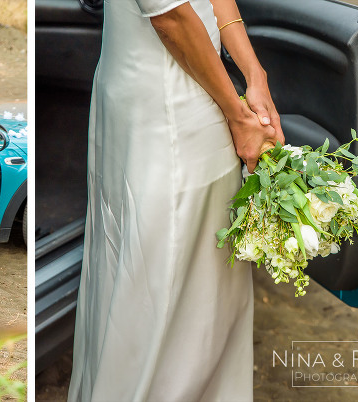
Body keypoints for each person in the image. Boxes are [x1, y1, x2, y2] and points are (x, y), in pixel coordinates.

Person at [68, 0, 285, 400]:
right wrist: (238, 117)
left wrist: (255, 74)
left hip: (190, 95)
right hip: (167, 110)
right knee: (160, 280)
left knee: (201, 283)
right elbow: (171, 17)